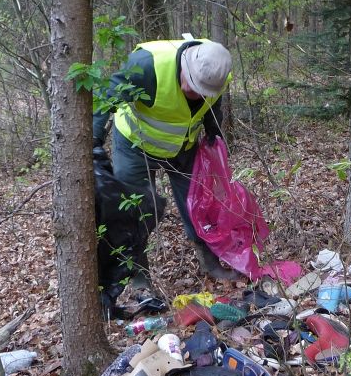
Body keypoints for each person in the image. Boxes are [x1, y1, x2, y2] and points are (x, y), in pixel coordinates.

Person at [92, 36, 241, 294]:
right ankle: (139, 277)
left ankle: (209, 261)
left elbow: (212, 105)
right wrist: (93, 141)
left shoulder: (219, 72)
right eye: (193, 84)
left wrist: (212, 132)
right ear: (186, 64)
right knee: (136, 209)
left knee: (197, 204)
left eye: (202, 90)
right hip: (135, 145)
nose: (194, 93)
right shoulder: (147, 65)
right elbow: (107, 97)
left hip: (182, 147)